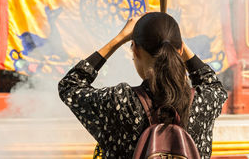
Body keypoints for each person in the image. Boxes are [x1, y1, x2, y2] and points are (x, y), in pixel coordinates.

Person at [58, 12, 228, 159]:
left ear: (136, 50)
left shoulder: (120, 101)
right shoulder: (203, 101)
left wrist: (118, 39)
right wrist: (173, 40)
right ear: (181, 50)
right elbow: (212, 83)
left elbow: (70, 86)